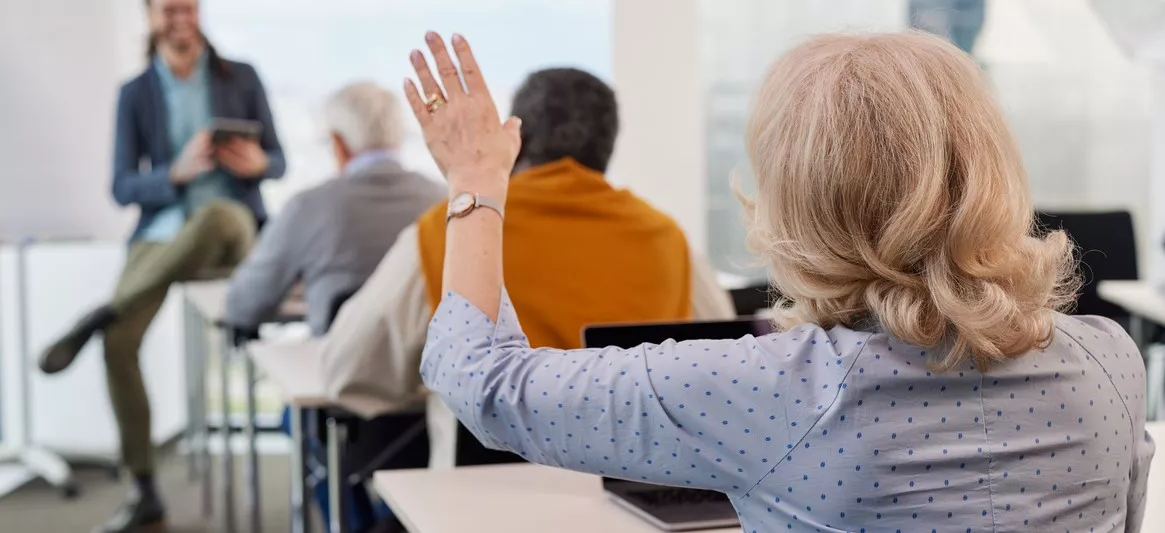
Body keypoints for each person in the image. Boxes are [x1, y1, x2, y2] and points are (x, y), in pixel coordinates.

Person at [410, 31, 1153, 532]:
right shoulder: (1110, 361)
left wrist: (477, 180)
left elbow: (485, 382)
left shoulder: (770, 388)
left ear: (794, 200)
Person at [316, 66, 735, 466]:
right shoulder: (665, 237)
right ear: (608, 148)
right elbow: (722, 370)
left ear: (515, 142)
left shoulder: (458, 227)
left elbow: (347, 371)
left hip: (483, 499)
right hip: (637, 488)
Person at [38, 0, 284, 531]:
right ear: (149, 16)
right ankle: (144, 488)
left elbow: (279, 159)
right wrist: (172, 175)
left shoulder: (240, 76)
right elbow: (122, 185)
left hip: (231, 229)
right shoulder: (136, 93)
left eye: (189, 7)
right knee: (119, 344)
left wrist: (260, 164)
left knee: (218, 215)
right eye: (170, 8)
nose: (181, 17)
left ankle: (103, 308)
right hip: (162, 234)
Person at [225, 82, 444, 335]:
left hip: (344, 367)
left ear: (338, 143)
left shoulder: (307, 208)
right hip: (431, 368)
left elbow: (243, 305)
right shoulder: (444, 202)